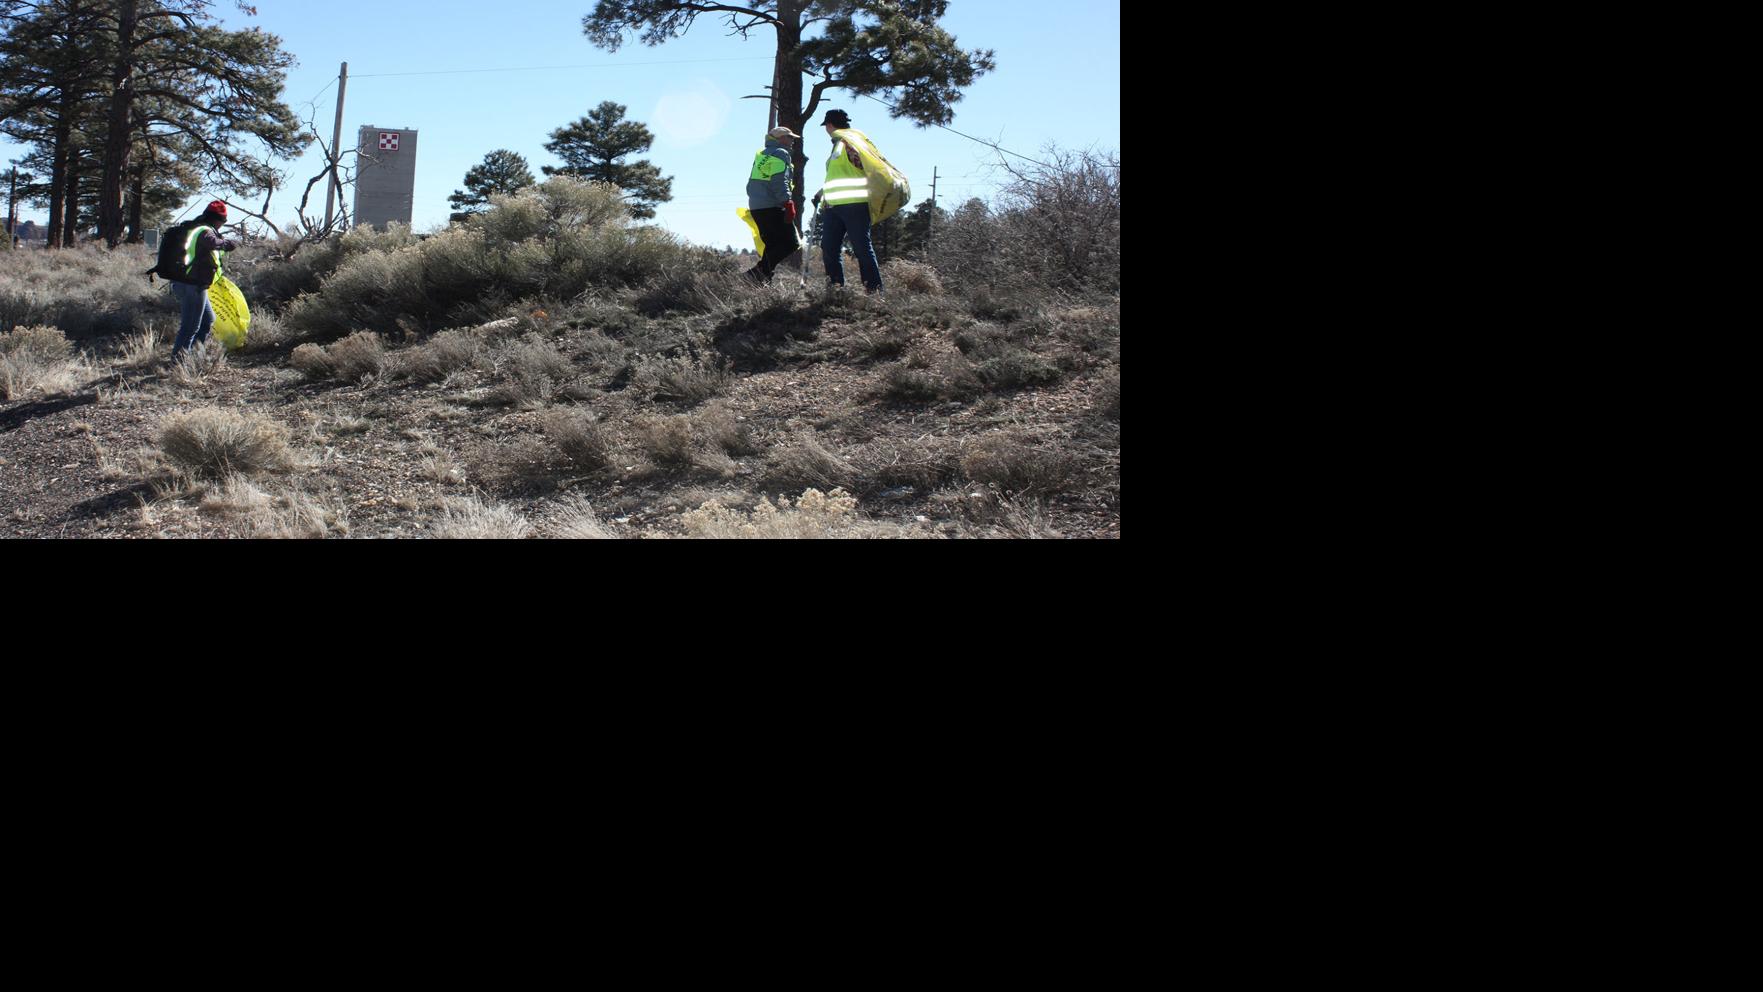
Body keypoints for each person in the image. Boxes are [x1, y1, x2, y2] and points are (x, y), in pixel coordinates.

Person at [812, 109, 883, 294]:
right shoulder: (838, 145)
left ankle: (874, 291)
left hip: (855, 205)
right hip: (833, 207)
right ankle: (835, 290)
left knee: (861, 247)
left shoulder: (849, 142)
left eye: (826, 126)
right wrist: (821, 193)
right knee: (829, 247)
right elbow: (839, 176)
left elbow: (865, 166)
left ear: (829, 125)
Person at [157, 201, 237, 362]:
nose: (222, 225)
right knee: (190, 326)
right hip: (192, 284)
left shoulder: (193, 227)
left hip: (185, 282)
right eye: (223, 221)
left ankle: (193, 357)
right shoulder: (204, 230)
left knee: (207, 320)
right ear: (218, 220)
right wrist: (228, 243)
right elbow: (212, 242)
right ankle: (178, 363)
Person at [746, 126, 802, 283]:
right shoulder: (780, 153)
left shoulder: (762, 155)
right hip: (772, 205)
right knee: (791, 243)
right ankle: (755, 273)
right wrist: (787, 202)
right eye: (789, 137)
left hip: (757, 207)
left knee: (772, 245)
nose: (792, 140)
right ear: (780, 139)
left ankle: (761, 279)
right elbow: (779, 180)